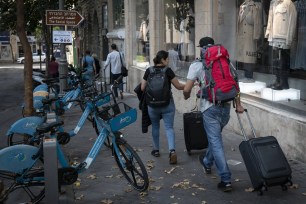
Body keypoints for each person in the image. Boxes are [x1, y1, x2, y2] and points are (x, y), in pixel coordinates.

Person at [183, 37, 244, 192]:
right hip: (226, 107)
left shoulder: (197, 65)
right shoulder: (226, 61)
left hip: (209, 109)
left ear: (201, 48)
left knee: (215, 141)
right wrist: (238, 105)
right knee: (214, 138)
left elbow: (186, 89)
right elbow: (235, 83)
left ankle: (226, 179)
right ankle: (207, 162)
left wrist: (185, 95)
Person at [141, 50, 185, 165]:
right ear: (163, 60)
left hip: (152, 105)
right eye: (167, 59)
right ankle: (172, 151)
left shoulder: (148, 70)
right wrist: (190, 85)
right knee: (169, 127)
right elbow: (179, 86)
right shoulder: (168, 71)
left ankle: (156, 150)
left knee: (155, 126)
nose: (168, 61)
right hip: (167, 104)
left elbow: (142, 88)